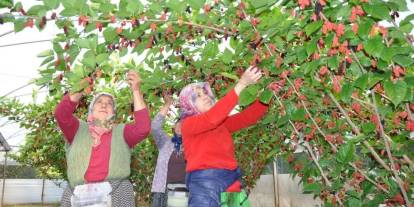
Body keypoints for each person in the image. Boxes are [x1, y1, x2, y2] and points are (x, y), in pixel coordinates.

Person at [54, 70, 151, 206]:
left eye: (109, 103)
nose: (104, 105)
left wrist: (136, 90)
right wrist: (80, 88)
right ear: (91, 110)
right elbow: (61, 114)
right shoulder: (77, 129)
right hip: (78, 196)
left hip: (116, 194)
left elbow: (143, 128)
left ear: (113, 112)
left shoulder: (121, 131)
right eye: (99, 102)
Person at [179, 67, 269, 207]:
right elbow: (213, 117)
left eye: (205, 93)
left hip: (230, 179)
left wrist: (267, 96)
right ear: (188, 104)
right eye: (198, 96)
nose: (205, 97)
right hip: (205, 182)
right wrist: (241, 84)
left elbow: (247, 118)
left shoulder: (220, 123)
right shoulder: (188, 124)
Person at [151, 95, 188, 207]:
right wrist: (168, 103)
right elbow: (155, 126)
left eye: (186, 123)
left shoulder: (195, 144)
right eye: (179, 122)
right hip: (164, 191)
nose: (181, 125)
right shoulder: (165, 142)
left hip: (188, 192)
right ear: (174, 126)